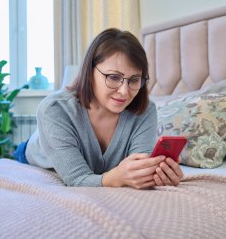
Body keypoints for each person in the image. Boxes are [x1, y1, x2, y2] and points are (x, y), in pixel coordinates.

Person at [14, 28, 184, 189]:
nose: (124, 92)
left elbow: (137, 167)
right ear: (89, 72)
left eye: (134, 80)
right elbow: (77, 178)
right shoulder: (55, 109)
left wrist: (156, 174)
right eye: (113, 77)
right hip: (36, 154)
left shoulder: (145, 110)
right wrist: (114, 178)